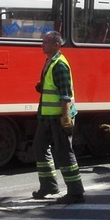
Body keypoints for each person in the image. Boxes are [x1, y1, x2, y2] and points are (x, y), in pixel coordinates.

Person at [31, 30, 85, 204]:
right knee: (39, 147)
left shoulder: (59, 64)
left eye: (46, 42)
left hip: (58, 117)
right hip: (46, 117)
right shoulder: (50, 61)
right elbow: (53, 88)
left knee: (64, 153)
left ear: (56, 45)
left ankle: (76, 193)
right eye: (43, 42)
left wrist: (66, 118)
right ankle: (49, 186)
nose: (42, 44)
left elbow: (65, 96)